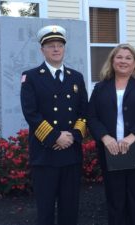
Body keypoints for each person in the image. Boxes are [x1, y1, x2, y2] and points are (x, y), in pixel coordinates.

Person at [20, 25, 88, 225]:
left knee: (70, 208)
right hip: (45, 153)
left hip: (71, 153)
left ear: (64, 49)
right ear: (42, 50)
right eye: (50, 45)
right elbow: (31, 113)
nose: (56, 49)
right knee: (46, 209)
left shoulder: (76, 77)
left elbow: (84, 112)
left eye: (60, 45)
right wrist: (55, 137)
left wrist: (73, 136)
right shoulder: (31, 77)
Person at [87, 43, 135, 225]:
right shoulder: (101, 87)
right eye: (119, 57)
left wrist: (132, 137)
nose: (123, 61)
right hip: (110, 151)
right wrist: (105, 137)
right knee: (115, 200)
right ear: (112, 61)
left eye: (128, 58)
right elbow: (91, 116)